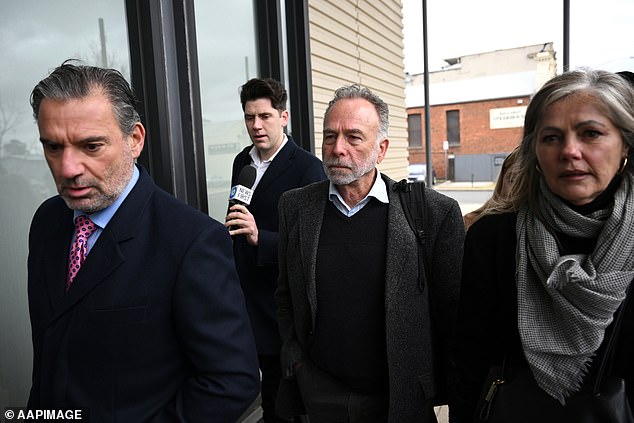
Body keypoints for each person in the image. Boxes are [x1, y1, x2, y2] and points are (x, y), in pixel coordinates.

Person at [27, 61, 260, 422]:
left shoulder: (191, 242)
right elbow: (49, 354)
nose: (68, 167)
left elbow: (231, 381)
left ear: (135, 140)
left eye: (91, 146)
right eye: (53, 147)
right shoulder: (47, 222)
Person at [275, 84, 465, 422]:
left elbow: (453, 313)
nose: (338, 149)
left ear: (381, 148)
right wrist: (296, 359)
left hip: (398, 398)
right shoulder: (296, 207)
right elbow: (286, 293)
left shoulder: (433, 214)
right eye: (330, 136)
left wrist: (445, 389)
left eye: (354, 137)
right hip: (320, 394)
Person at [452, 69, 634, 422]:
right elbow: (470, 363)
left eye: (591, 133)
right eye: (551, 137)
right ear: (535, 150)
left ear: (625, 144)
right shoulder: (494, 238)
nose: (570, 151)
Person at [225, 77, 326, 422]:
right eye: (250, 117)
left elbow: (313, 242)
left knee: (284, 401)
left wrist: (260, 238)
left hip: (280, 303)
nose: (256, 126)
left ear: (284, 117)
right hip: (243, 297)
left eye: (265, 116)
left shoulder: (307, 168)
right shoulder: (243, 161)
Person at [463, 147, 519, 230]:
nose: (516, 191)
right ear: (502, 181)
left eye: (527, 185)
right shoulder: (472, 222)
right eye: (512, 180)